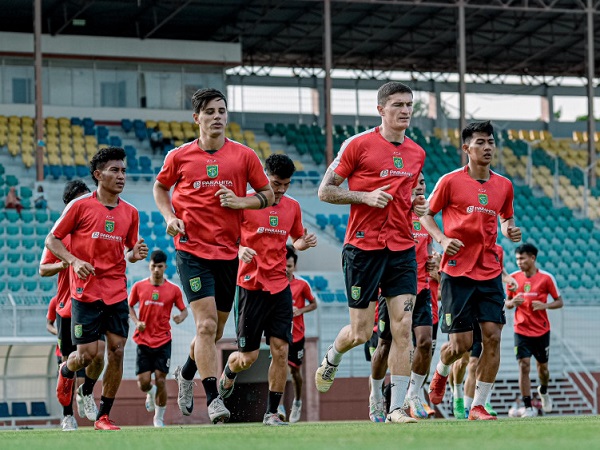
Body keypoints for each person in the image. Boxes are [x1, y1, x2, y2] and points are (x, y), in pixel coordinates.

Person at [153, 88, 274, 424]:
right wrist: (169, 217)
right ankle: (214, 399)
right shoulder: (179, 156)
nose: (218, 116)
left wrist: (241, 202)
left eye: (222, 110)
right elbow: (160, 188)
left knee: (215, 332)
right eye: (210, 111)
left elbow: (266, 195)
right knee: (204, 325)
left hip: (228, 255)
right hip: (191, 251)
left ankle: (186, 373)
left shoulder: (244, 156)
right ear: (197, 118)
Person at [315, 81, 427, 424]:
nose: (405, 110)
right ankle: (332, 356)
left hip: (402, 248)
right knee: (362, 333)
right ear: (381, 110)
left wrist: (415, 204)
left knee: (403, 326)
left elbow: (406, 198)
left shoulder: (417, 153)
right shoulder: (358, 145)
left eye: (409, 104)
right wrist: (364, 196)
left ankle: (396, 407)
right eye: (397, 105)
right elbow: (325, 191)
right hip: (362, 248)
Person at [420, 120, 522, 421]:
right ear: (467, 148)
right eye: (480, 142)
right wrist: (441, 238)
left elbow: (506, 219)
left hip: (490, 270)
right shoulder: (450, 181)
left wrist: (510, 230)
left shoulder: (504, 185)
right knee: (460, 346)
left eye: (490, 142)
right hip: (456, 272)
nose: (487, 147)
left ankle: (478, 404)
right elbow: (425, 214)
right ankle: (440, 372)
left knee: (493, 336)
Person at [47, 147, 148, 431]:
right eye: (114, 170)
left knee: (116, 350)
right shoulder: (79, 206)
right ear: (98, 175)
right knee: (87, 356)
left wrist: (135, 253)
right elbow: (52, 240)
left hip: (116, 291)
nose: (121, 176)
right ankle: (67, 370)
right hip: (85, 293)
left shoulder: (132, 212)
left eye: (124, 171)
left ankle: (103, 416)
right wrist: (73, 260)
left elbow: (128, 250)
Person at [218, 154, 317, 426]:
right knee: (248, 357)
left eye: (286, 185)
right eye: (275, 183)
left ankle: (271, 412)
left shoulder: (292, 207)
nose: (281, 190)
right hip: (250, 286)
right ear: (263, 176)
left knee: (280, 351)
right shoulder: (244, 202)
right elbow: (226, 239)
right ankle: (229, 370)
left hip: (280, 286)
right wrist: (240, 249)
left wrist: (302, 244)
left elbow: (295, 240)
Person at [368, 172, 434, 422]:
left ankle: (413, 395)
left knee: (425, 342)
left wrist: (433, 259)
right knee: (384, 346)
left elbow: (430, 248)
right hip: (394, 290)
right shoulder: (396, 210)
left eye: (423, 182)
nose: (419, 186)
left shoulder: (427, 214)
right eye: (414, 181)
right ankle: (375, 396)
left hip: (422, 288)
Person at [40, 179, 100, 432]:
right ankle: (68, 416)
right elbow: (43, 269)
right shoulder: (60, 235)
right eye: (81, 198)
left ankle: (86, 391)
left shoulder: (95, 230)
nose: (87, 201)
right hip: (67, 306)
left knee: (97, 356)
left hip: (95, 301)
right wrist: (64, 263)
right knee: (69, 363)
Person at [450, 244, 518, 419]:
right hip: (465, 300)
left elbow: (497, 269)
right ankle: (456, 394)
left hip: (484, 304)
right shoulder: (461, 242)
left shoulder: (498, 249)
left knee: (476, 361)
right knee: (461, 358)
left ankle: (475, 403)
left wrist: (507, 277)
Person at [128, 249, 188, 427]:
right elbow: (130, 307)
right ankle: (150, 392)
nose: (156, 270)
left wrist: (180, 317)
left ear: (165, 267)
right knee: (144, 383)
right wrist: (137, 321)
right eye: (153, 266)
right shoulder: (139, 287)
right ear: (149, 265)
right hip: (143, 340)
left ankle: (158, 418)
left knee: (161, 379)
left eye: (160, 267)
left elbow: (184, 310)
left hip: (163, 341)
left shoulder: (173, 290)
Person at [505, 243, 563, 418]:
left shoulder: (546, 278)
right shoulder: (513, 279)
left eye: (522, 258)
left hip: (541, 331)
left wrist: (545, 305)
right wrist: (511, 303)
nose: (519, 262)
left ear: (532, 258)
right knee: (524, 365)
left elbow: (559, 301)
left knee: (542, 369)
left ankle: (543, 391)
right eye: (517, 259)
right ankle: (528, 406)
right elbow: (506, 303)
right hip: (521, 329)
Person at [281, 244, 317, 423]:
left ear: (294, 266)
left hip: (297, 335)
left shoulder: (302, 285)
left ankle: (297, 401)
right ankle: (277, 406)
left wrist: (299, 310)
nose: (287, 269)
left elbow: (314, 304)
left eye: (289, 266)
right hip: (279, 333)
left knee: (294, 371)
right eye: (284, 266)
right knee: (277, 367)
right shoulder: (275, 284)